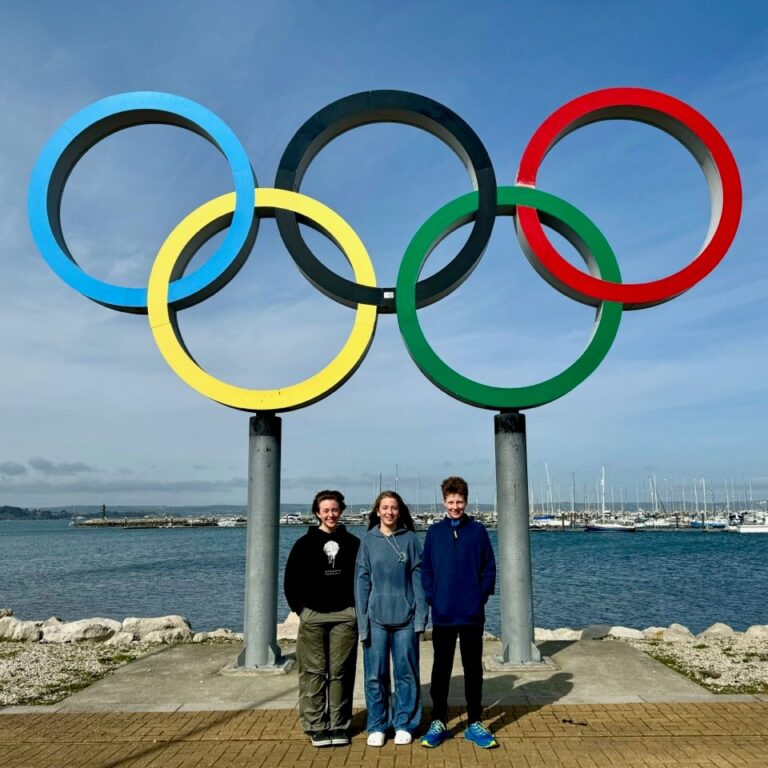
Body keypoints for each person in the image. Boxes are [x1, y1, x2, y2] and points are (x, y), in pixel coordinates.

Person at [420, 476, 498, 749]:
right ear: (444, 502)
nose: (455, 506)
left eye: (460, 502)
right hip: (442, 614)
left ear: (466, 501)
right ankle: (438, 721)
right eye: (451, 502)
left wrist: (481, 596)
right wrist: (433, 597)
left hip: (471, 615)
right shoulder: (434, 532)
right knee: (440, 670)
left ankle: (474, 723)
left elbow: (489, 568)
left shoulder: (477, 531)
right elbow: (426, 569)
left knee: (473, 670)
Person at [284, 489, 360, 748]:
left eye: (335, 509)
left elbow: (362, 578)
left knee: (341, 672)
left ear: (341, 511)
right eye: (325, 510)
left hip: (345, 616)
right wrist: (301, 610)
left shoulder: (352, 543)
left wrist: (355, 609)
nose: (331, 514)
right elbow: (290, 581)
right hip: (313, 615)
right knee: (313, 671)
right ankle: (316, 725)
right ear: (317, 512)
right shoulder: (304, 544)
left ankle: (339, 723)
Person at [355, 491, 428, 747]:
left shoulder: (410, 540)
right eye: (384, 507)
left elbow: (418, 580)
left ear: (400, 511)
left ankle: (405, 723)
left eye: (393, 507)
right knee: (375, 675)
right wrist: (362, 621)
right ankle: (377, 724)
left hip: (406, 619)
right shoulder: (368, 541)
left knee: (406, 673)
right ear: (377, 511)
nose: (389, 512)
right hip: (375, 619)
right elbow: (361, 582)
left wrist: (421, 618)